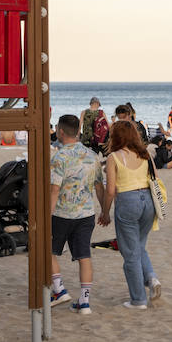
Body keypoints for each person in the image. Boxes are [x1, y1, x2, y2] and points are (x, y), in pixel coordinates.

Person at [98, 121, 162, 309]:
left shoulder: (114, 157)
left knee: (130, 252)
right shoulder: (145, 155)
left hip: (127, 201)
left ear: (115, 137)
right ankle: (151, 278)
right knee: (139, 245)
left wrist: (104, 212)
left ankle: (138, 300)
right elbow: (156, 179)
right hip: (148, 201)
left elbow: (110, 190)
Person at [47, 114, 105, 315]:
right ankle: (85, 301)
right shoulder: (91, 155)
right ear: (78, 131)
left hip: (62, 214)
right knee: (84, 256)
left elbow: (54, 189)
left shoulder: (59, 157)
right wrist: (105, 210)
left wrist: (48, 214)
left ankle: (59, 289)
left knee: (49, 252)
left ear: (61, 131)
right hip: (86, 214)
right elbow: (99, 186)